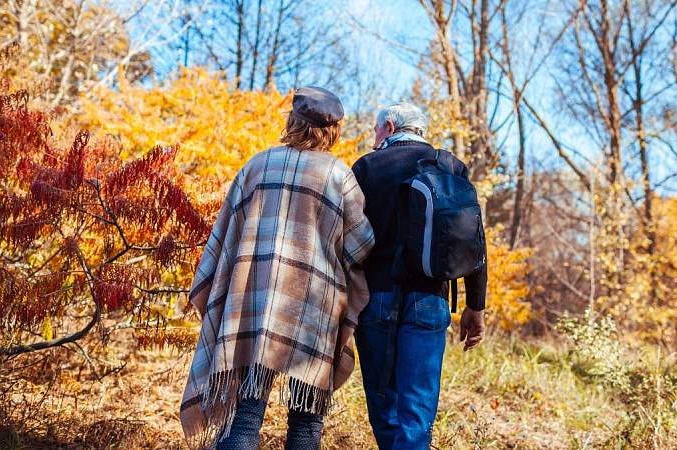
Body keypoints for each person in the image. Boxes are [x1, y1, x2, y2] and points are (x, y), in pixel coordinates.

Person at [180, 86, 375, 450]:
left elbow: (224, 234)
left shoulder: (256, 165)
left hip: (251, 300)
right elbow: (361, 246)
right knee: (305, 424)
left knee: (244, 419)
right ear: (332, 130)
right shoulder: (338, 174)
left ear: (293, 121)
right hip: (313, 306)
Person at [352, 103, 487, 449]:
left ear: (390, 126)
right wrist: (476, 306)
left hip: (376, 298)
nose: (373, 136)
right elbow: (475, 240)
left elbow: (347, 239)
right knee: (418, 411)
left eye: (376, 129)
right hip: (431, 299)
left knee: (384, 408)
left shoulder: (367, 167)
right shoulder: (451, 166)